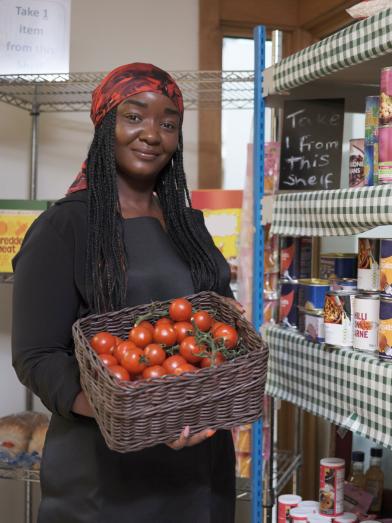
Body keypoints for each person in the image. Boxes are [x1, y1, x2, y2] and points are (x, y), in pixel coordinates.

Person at [12, 63, 237, 523]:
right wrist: (126, 412)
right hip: (104, 480)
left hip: (200, 464)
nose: (152, 134)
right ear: (104, 126)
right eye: (134, 116)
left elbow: (216, 318)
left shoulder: (189, 225)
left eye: (168, 123)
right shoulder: (65, 227)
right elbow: (36, 355)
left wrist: (232, 322)